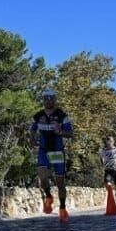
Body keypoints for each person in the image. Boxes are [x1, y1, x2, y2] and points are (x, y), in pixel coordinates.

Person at [31, 89, 73, 223]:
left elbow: (70, 133)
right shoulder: (38, 116)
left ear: (55, 99)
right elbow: (32, 130)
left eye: (51, 98)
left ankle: (62, 208)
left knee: (60, 183)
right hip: (43, 151)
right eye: (46, 98)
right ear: (43, 100)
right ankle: (48, 196)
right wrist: (32, 139)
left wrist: (60, 131)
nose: (48, 100)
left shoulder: (62, 115)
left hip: (57, 152)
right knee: (42, 176)